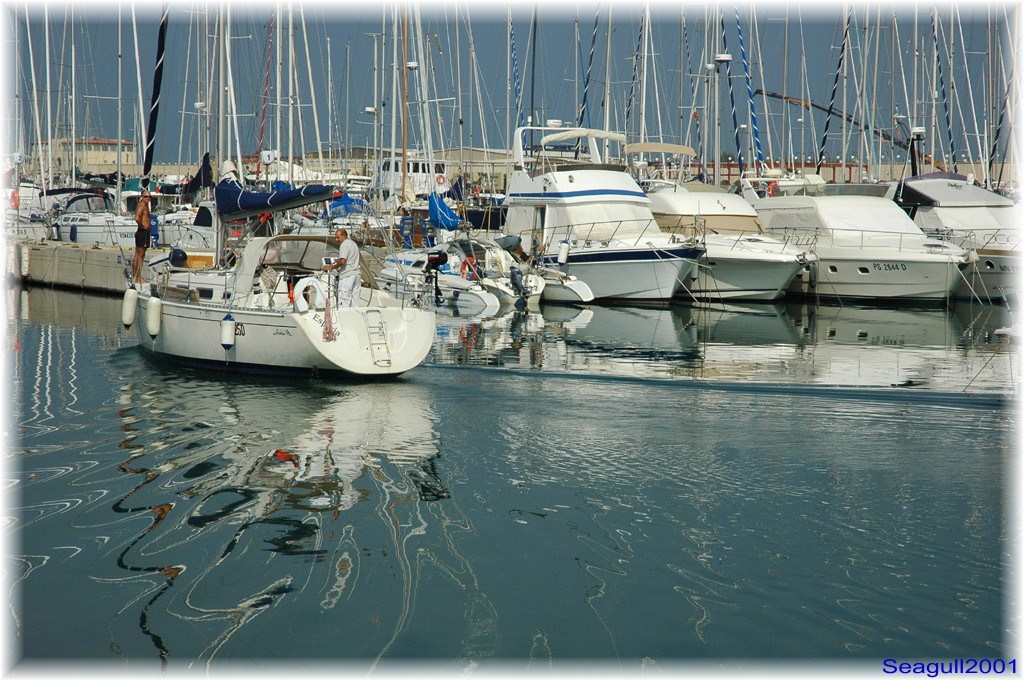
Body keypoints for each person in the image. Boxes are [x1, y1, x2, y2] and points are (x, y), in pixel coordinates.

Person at [323, 227, 361, 307]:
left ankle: (343, 317)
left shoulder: (344, 245)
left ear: (344, 236)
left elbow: (342, 261)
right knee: (355, 301)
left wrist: (332, 267)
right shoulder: (353, 244)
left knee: (344, 300)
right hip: (357, 275)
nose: (336, 240)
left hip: (347, 276)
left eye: (338, 237)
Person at [132, 189, 152, 284]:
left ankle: (136, 276)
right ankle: (138, 277)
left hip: (143, 232)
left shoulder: (144, 205)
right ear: (142, 197)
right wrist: (142, 226)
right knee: (140, 256)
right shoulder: (142, 206)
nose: (148, 198)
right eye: (146, 196)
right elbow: (137, 218)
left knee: (138, 255)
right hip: (142, 232)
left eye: (149, 197)